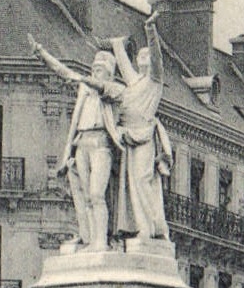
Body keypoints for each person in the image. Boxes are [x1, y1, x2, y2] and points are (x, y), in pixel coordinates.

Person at [28, 36, 124, 250]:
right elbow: (64, 72)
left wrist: (86, 80)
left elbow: (100, 87)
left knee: (96, 194)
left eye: (99, 69)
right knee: (82, 196)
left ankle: (100, 241)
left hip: (101, 144)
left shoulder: (115, 90)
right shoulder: (84, 90)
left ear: (109, 73)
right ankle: (88, 237)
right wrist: (42, 54)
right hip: (81, 144)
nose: (94, 72)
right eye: (93, 69)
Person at [109, 14, 173, 242]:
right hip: (127, 137)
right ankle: (136, 226)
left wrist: (150, 29)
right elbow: (122, 60)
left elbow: (157, 56)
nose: (143, 56)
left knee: (143, 181)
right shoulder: (134, 82)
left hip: (144, 137)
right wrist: (115, 45)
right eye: (140, 55)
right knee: (129, 186)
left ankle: (149, 228)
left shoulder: (154, 81)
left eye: (146, 54)